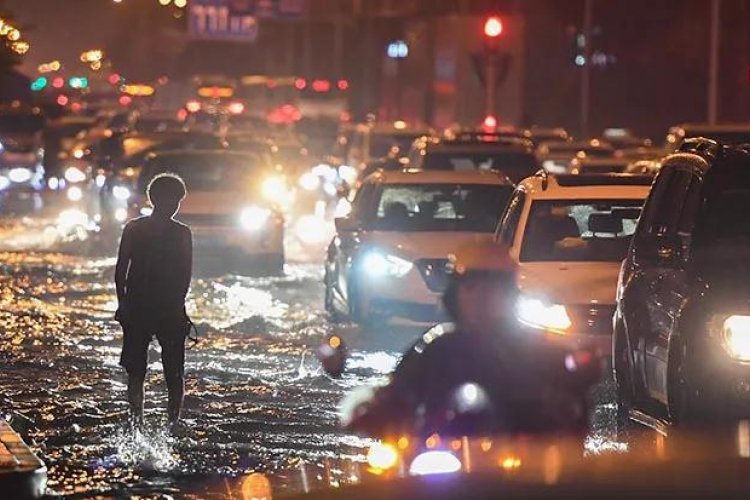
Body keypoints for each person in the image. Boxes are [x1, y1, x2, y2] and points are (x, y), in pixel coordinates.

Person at [343, 242, 602, 438]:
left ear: (509, 294)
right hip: (441, 464)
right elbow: (397, 393)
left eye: (493, 289)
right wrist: (368, 410)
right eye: (471, 288)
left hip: (519, 474)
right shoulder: (435, 347)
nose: (481, 298)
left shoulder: (539, 349)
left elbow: (571, 403)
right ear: (455, 294)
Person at [115, 173, 193, 429]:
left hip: (151, 307)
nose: (174, 206)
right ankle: (147, 422)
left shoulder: (137, 229)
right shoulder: (177, 233)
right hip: (152, 308)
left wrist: (124, 304)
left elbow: (121, 273)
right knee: (153, 371)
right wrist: (123, 305)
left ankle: (155, 423)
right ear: (155, 199)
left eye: (177, 201)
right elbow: (120, 271)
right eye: (171, 200)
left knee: (161, 371)